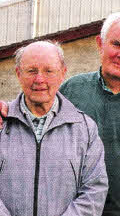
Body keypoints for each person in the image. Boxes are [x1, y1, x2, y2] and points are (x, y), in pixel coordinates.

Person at [0, 12, 120, 216]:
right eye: (116, 44)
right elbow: (36, 101)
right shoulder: (72, 90)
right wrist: (6, 108)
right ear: (100, 44)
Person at [0, 41, 108, 215]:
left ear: (62, 73)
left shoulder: (85, 129)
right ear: (18, 74)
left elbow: (94, 191)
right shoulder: (2, 122)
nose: (39, 79)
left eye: (49, 71)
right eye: (31, 71)